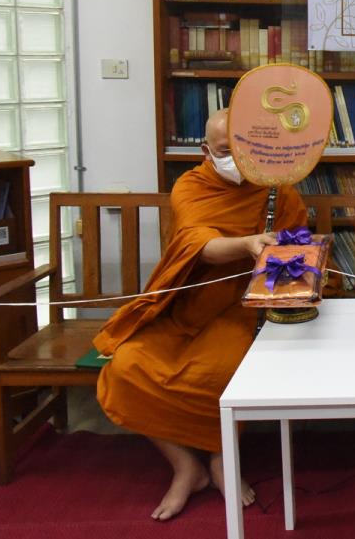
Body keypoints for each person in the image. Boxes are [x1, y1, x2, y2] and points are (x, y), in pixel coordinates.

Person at [94, 108, 309, 520]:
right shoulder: (191, 186)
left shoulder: (279, 192)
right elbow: (200, 244)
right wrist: (246, 244)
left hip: (240, 310)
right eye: (226, 152)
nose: (236, 161)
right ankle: (185, 467)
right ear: (205, 151)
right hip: (182, 307)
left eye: (245, 151)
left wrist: (283, 258)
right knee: (125, 367)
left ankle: (221, 459)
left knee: (220, 371)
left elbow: (295, 256)